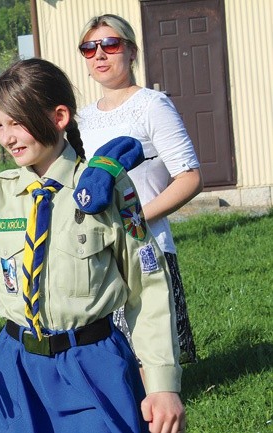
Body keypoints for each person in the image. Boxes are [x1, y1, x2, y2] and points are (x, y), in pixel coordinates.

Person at [0, 58, 186, 433]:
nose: (6, 137)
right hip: (17, 366)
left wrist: (162, 384)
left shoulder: (108, 191)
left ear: (59, 117)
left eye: (17, 123)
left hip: (91, 365)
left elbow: (147, 288)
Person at [77, 13, 202, 364]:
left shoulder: (152, 105)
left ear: (131, 51)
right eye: (89, 48)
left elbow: (190, 177)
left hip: (146, 246)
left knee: (153, 355)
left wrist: (133, 220)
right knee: (112, 358)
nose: (99, 54)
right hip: (100, 250)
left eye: (110, 44)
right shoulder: (82, 119)